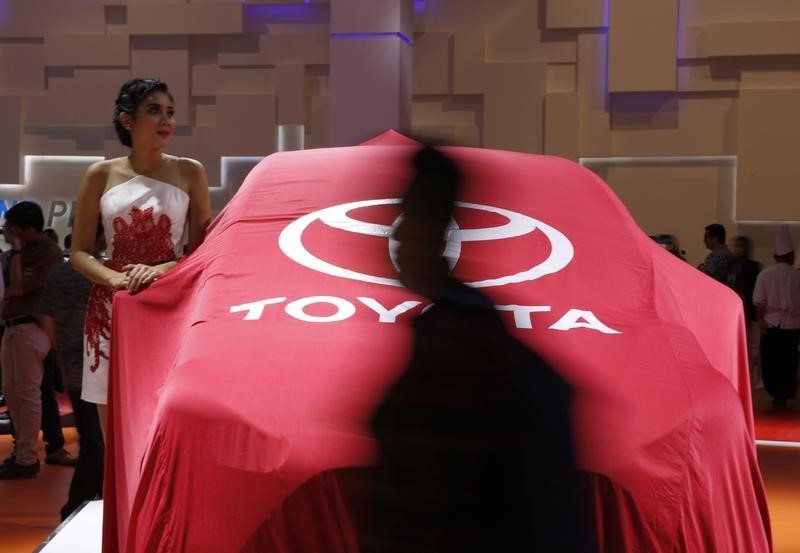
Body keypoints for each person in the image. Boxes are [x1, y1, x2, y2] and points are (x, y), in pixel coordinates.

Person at [363, 147, 589, 552]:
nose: (395, 235)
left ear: (436, 235)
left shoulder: (459, 336)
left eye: (408, 219)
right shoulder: (457, 325)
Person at [70, 78, 211, 434]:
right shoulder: (100, 174)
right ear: (126, 120)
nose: (166, 120)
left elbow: (202, 252)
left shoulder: (190, 171)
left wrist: (161, 268)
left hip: (168, 303)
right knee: (112, 432)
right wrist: (115, 278)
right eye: (154, 110)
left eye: (170, 112)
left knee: (162, 423)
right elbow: (79, 253)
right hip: (110, 305)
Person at [42, 222, 107, 519]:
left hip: (72, 361)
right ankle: (76, 506)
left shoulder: (57, 273)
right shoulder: (107, 272)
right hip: (100, 361)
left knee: (91, 435)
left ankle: (94, 500)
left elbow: (48, 321)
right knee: (97, 439)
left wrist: (62, 354)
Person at [0, 201, 64, 478]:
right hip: (14, 328)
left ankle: (27, 458)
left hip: (30, 328)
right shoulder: (26, 251)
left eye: (9, 227)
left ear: (22, 228)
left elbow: (19, 288)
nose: (5, 232)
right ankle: (23, 453)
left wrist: (14, 252)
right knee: (14, 395)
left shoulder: (45, 251)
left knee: (27, 395)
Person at [753, 225, 800, 408]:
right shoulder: (797, 276)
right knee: (789, 361)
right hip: (795, 325)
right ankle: (787, 391)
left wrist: (760, 321)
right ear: (792, 256)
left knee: (772, 362)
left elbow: (758, 302)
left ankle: (776, 393)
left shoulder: (765, 275)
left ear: (774, 256)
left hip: (772, 324)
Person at [732, 236, 762, 386]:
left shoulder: (752, 266)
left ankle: (750, 374)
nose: (738, 249)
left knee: (752, 346)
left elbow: (755, 289)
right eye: (736, 246)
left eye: (741, 246)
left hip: (750, 310)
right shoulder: (730, 265)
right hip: (734, 311)